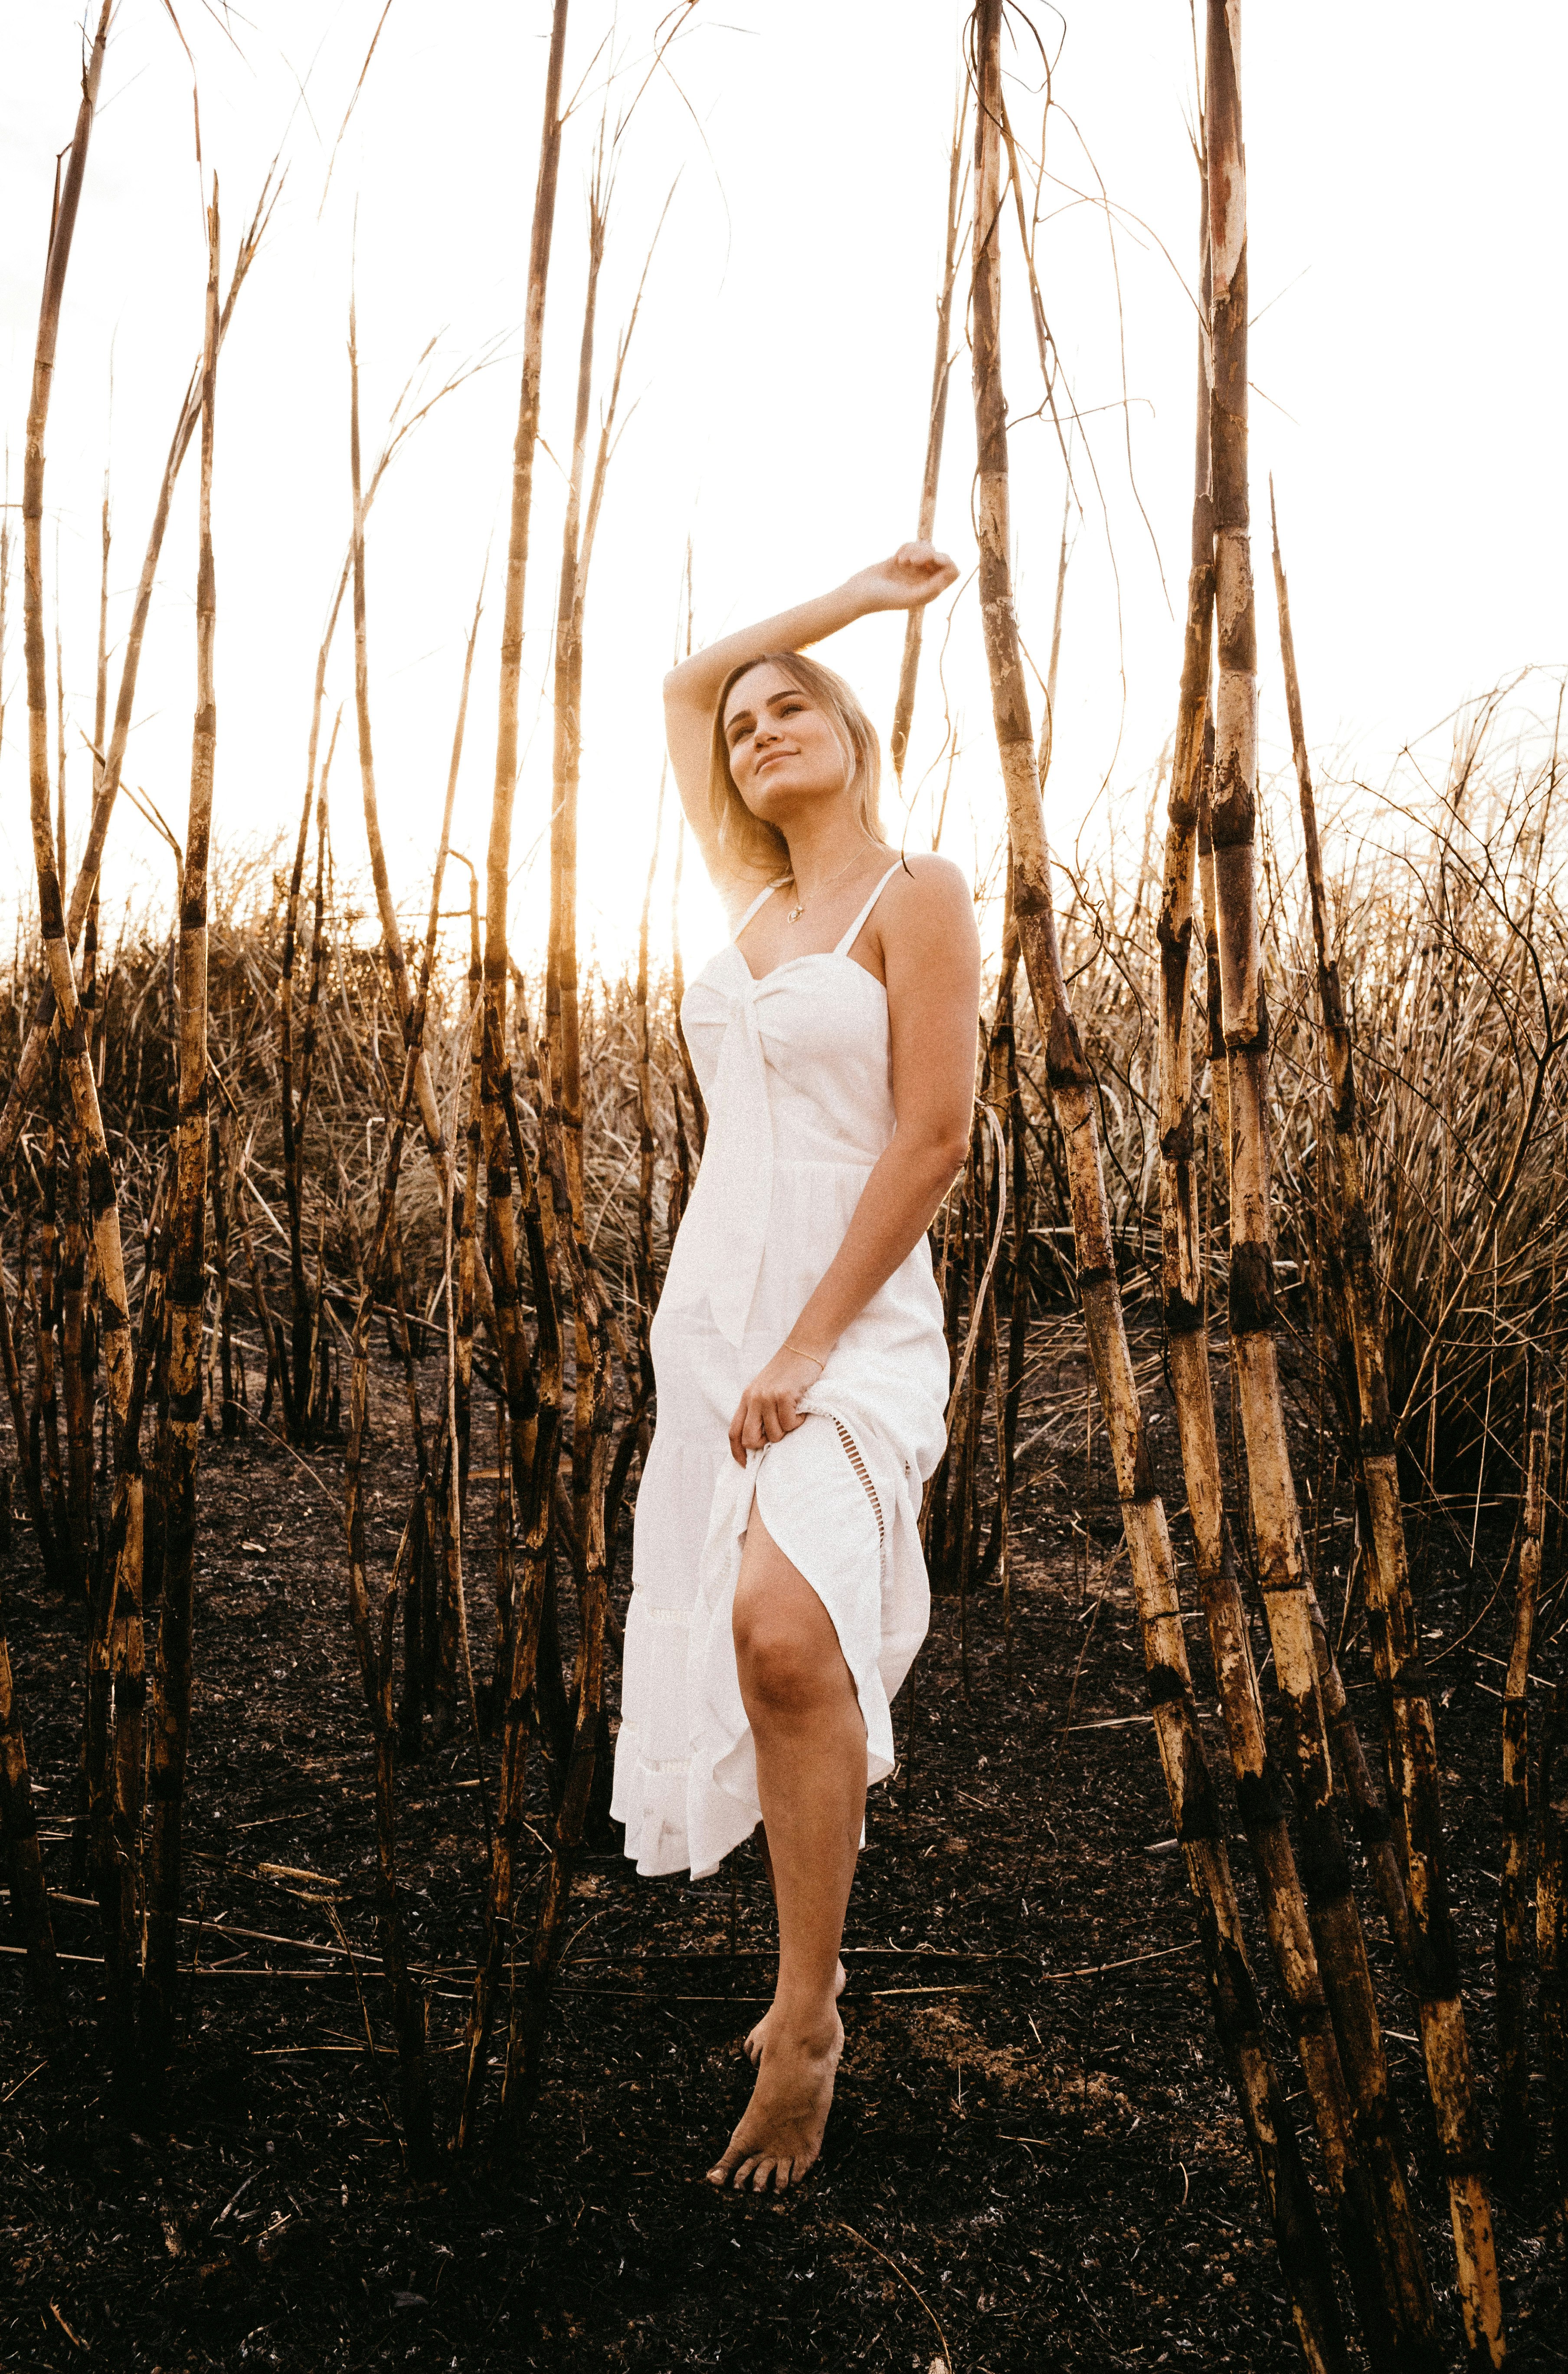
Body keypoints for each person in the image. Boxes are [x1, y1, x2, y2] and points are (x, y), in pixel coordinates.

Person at [609, 542, 980, 2193]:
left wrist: (815, 1339)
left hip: (854, 1310)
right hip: (718, 1307)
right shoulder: (743, 893)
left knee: (782, 1624)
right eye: (748, 723)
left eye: (794, 708)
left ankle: (809, 2016)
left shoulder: (922, 895)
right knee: (759, 1651)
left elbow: (936, 1136)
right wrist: (838, 595)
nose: (757, 726)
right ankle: (801, 1990)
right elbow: (682, 685)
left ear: (849, 732)